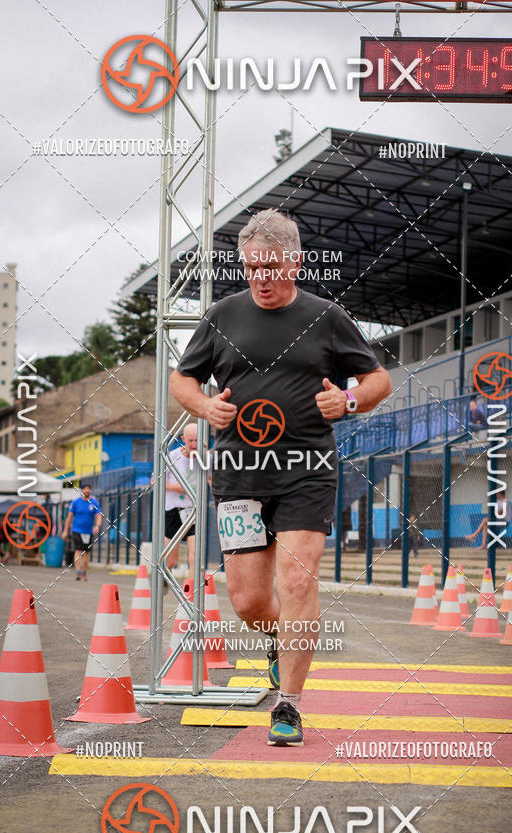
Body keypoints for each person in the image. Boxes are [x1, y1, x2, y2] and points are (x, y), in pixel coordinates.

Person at [170, 208, 392, 746]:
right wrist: (204, 407)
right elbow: (182, 380)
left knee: (297, 581)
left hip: (306, 470)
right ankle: (278, 639)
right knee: (248, 600)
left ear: (295, 261)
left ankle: (288, 704)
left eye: (271, 267)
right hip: (238, 475)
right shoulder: (222, 316)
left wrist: (349, 400)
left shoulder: (327, 318)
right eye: (252, 268)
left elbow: (378, 379)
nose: (261, 278)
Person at [164, 422, 198, 579]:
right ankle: (164, 581)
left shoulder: (205, 458)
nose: (194, 445)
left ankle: (190, 591)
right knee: (171, 561)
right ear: (183, 439)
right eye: (191, 441)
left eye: (198, 440)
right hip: (173, 511)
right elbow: (154, 482)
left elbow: (211, 478)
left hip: (193, 511)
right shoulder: (172, 456)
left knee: (195, 558)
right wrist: (175, 487)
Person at [61, 484, 103, 581]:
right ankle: (78, 571)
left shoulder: (94, 502)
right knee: (78, 550)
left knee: (87, 553)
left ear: (90, 491)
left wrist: (97, 526)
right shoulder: (76, 502)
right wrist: (65, 531)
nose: (87, 491)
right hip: (77, 530)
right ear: (82, 490)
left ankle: (84, 571)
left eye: (88, 489)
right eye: (85, 489)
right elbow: (69, 517)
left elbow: (99, 515)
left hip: (89, 531)